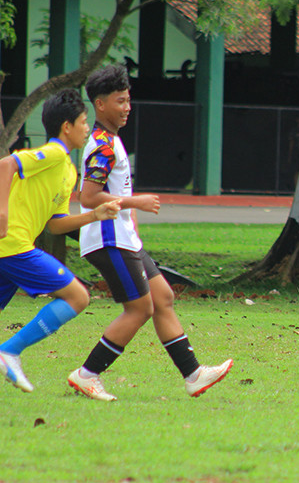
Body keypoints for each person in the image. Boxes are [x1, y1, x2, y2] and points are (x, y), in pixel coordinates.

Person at [68, 64, 233, 401]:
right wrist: (136, 202)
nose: (127, 107)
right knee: (140, 309)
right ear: (100, 104)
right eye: (120, 101)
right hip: (109, 240)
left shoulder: (111, 140)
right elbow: (88, 197)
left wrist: (133, 225)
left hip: (125, 238)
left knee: (163, 298)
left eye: (128, 100)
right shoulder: (102, 145)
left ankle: (193, 375)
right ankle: (87, 374)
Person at [0, 89, 122, 393]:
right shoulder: (53, 153)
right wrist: (2, 212)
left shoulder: (68, 170)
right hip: (12, 245)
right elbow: (5, 165)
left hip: (11, 249)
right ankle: (9, 351)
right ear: (67, 126)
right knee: (78, 297)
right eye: (83, 122)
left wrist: (95, 215)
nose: (87, 128)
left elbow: (55, 225)